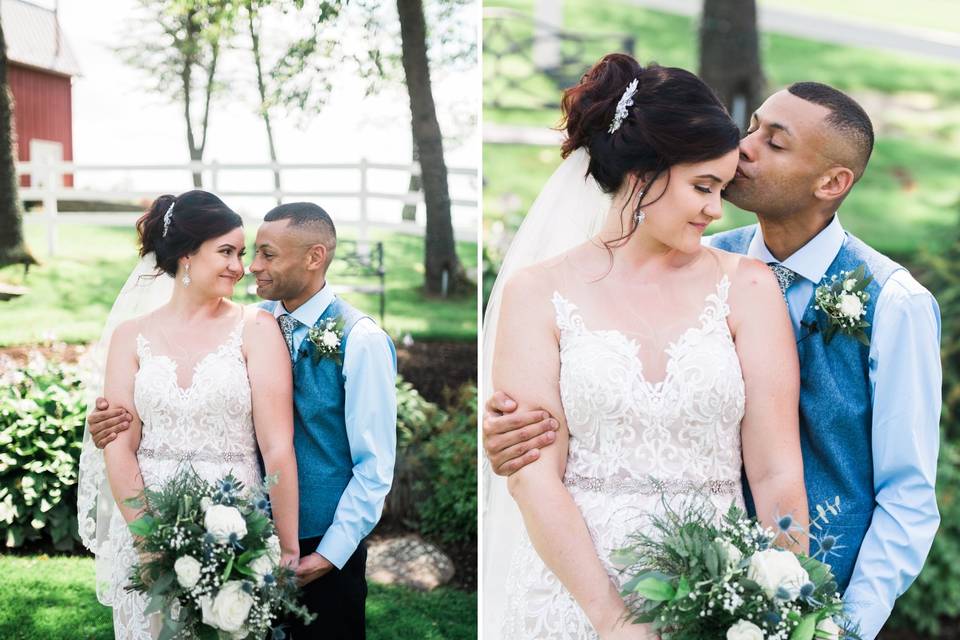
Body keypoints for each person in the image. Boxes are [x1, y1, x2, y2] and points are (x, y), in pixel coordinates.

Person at [484, 79, 942, 639]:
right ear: (642, 171)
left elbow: (905, 495)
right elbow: (538, 454)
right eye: (751, 130)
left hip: (764, 591)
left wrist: (831, 627)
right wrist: (514, 440)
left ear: (832, 182)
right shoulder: (700, 253)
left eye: (774, 143)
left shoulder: (889, 303)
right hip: (583, 580)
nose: (746, 150)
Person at [483, 53, 808, 640]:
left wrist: (780, 604)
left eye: (722, 187)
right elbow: (533, 473)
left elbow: (776, 469)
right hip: (575, 589)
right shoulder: (537, 293)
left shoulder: (749, 288)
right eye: (702, 187)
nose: (715, 208)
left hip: (717, 587)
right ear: (641, 175)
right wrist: (612, 617)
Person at [87, 201, 398, 640]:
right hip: (234, 526)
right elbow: (132, 427)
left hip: (318, 541)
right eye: (235, 253)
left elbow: (375, 464)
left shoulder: (359, 339)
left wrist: (329, 553)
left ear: (314, 257)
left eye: (264, 254)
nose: (248, 267)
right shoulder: (264, 319)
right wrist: (107, 426)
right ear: (186, 256)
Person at [77, 190, 300, 639]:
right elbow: (119, 443)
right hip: (147, 520)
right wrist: (148, 540)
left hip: (236, 523)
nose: (240, 267)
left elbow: (277, 446)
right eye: (226, 252)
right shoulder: (130, 336)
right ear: (185, 255)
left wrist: (287, 544)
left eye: (241, 253)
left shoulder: (257, 329)